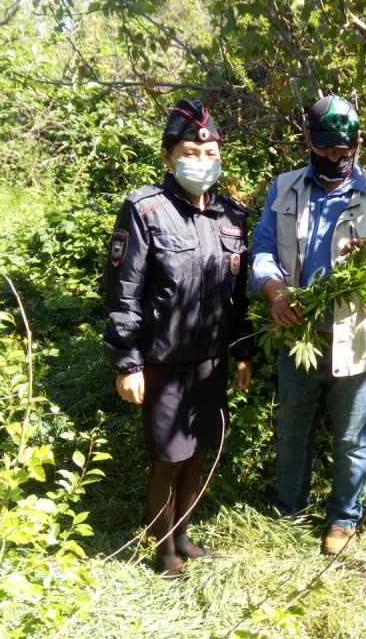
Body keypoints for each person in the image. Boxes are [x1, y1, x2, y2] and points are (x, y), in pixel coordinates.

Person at [249, 94, 366, 555]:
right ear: (308, 140)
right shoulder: (284, 189)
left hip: (360, 340)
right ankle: (289, 510)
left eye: (344, 149)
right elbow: (263, 250)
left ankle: (343, 520)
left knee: (351, 439)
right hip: (299, 336)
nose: (335, 157)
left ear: (358, 144)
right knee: (292, 429)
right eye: (325, 148)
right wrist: (275, 291)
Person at [104, 99, 255, 577]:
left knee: (199, 451)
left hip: (211, 359)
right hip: (163, 360)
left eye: (210, 154)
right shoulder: (145, 210)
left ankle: (183, 536)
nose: (202, 162)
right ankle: (163, 550)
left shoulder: (231, 217)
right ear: (168, 156)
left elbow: (238, 295)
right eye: (190, 153)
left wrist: (243, 352)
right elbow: (123, 291)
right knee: (168, 458)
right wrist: (128, 363)